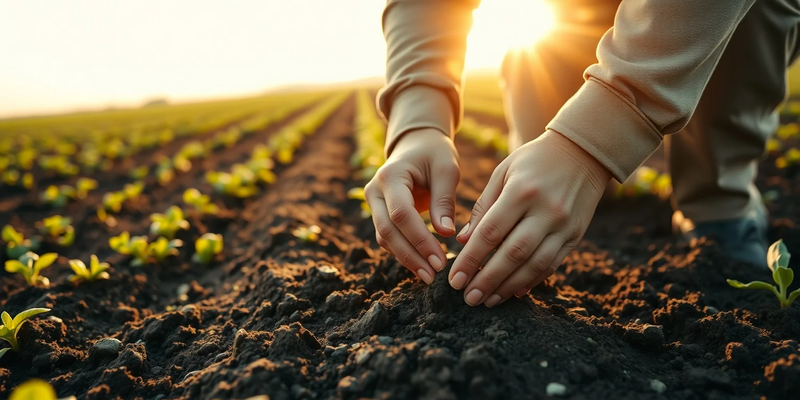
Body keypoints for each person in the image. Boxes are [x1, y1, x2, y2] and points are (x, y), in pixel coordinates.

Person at [365, 0, 800, 308]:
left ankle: (718, 200)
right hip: (575, 20)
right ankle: (576, 188)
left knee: (751, 12)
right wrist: (419, 119)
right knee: (538, 51)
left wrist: (588, 144)